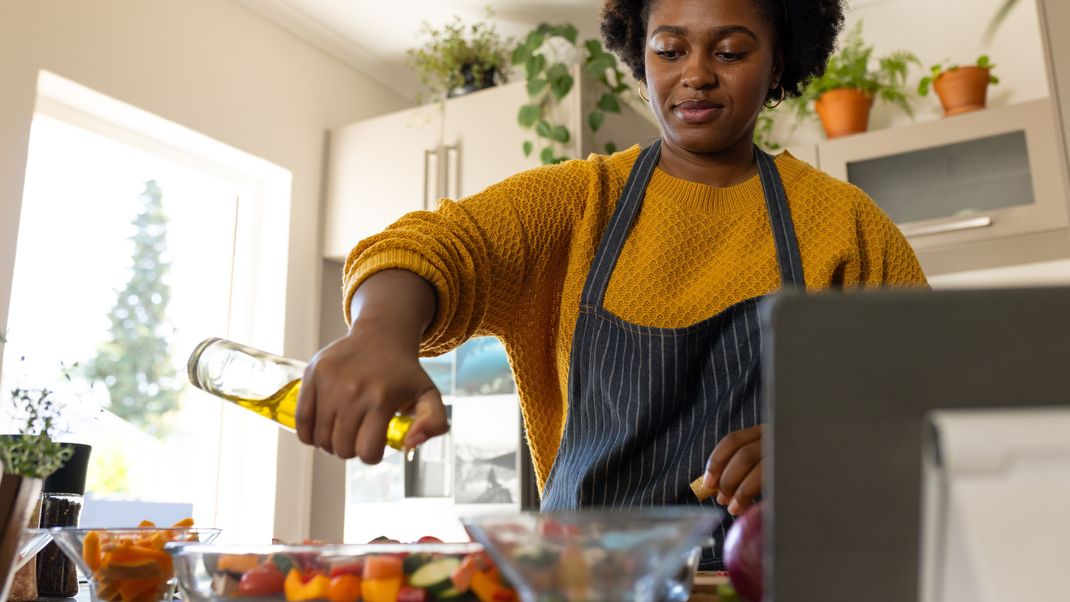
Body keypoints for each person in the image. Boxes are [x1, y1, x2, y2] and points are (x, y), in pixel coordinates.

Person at [296, 0, 926, 568]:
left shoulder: (845, 226)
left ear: (780, 57)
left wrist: (827, 447)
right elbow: (431, 245)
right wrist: (378, 333)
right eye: (669, 49)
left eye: (730, 51)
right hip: (581, 583)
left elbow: (937, 408)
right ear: (639, 52)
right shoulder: (577, 203)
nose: (696, 74)